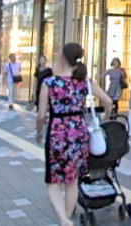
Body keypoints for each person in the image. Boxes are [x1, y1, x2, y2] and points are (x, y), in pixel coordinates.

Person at [35, 43, 112, 226]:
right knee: (72, 180)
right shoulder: (85, 82)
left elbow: (41, 116)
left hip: (57, 134)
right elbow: (108, 102)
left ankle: (63, 219)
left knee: (53, 182)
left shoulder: (50, 83)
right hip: (79, 133)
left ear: (63, 57)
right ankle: (66, 219)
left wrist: (38, 133)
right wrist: (103, 119)